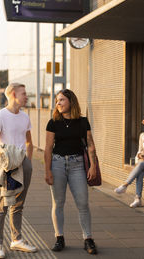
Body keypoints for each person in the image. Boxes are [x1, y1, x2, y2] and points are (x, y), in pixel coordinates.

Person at [44, 89, 98, 255]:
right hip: (58, 164)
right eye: (57, 101)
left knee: (82, 203)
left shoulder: (83, 121)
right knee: (58, 203)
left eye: (61, 100)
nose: (58, 104)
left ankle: (88, 239)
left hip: (77, 165)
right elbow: (47, 148)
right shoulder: (53, 122)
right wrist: (47, 170)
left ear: (71, 102)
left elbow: (90, 144)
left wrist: (93, 166)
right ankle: (59, 237)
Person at [0, 83, 37, 258]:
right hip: (8, 166)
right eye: (24, 93)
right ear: (14, 94)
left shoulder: (25, 117)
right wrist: (7, 157)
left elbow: (30, 142)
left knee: (19, 204)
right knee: (3, 205)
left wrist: (28, 162)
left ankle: (16, 240)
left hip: (24, 164)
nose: (26, 96)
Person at [114, 117, 144, 208]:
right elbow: (139, 150)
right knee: (139, 173)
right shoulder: (142, 136)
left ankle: (125, 185)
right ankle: (137, 199)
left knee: (141, 165)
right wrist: (139, 156)